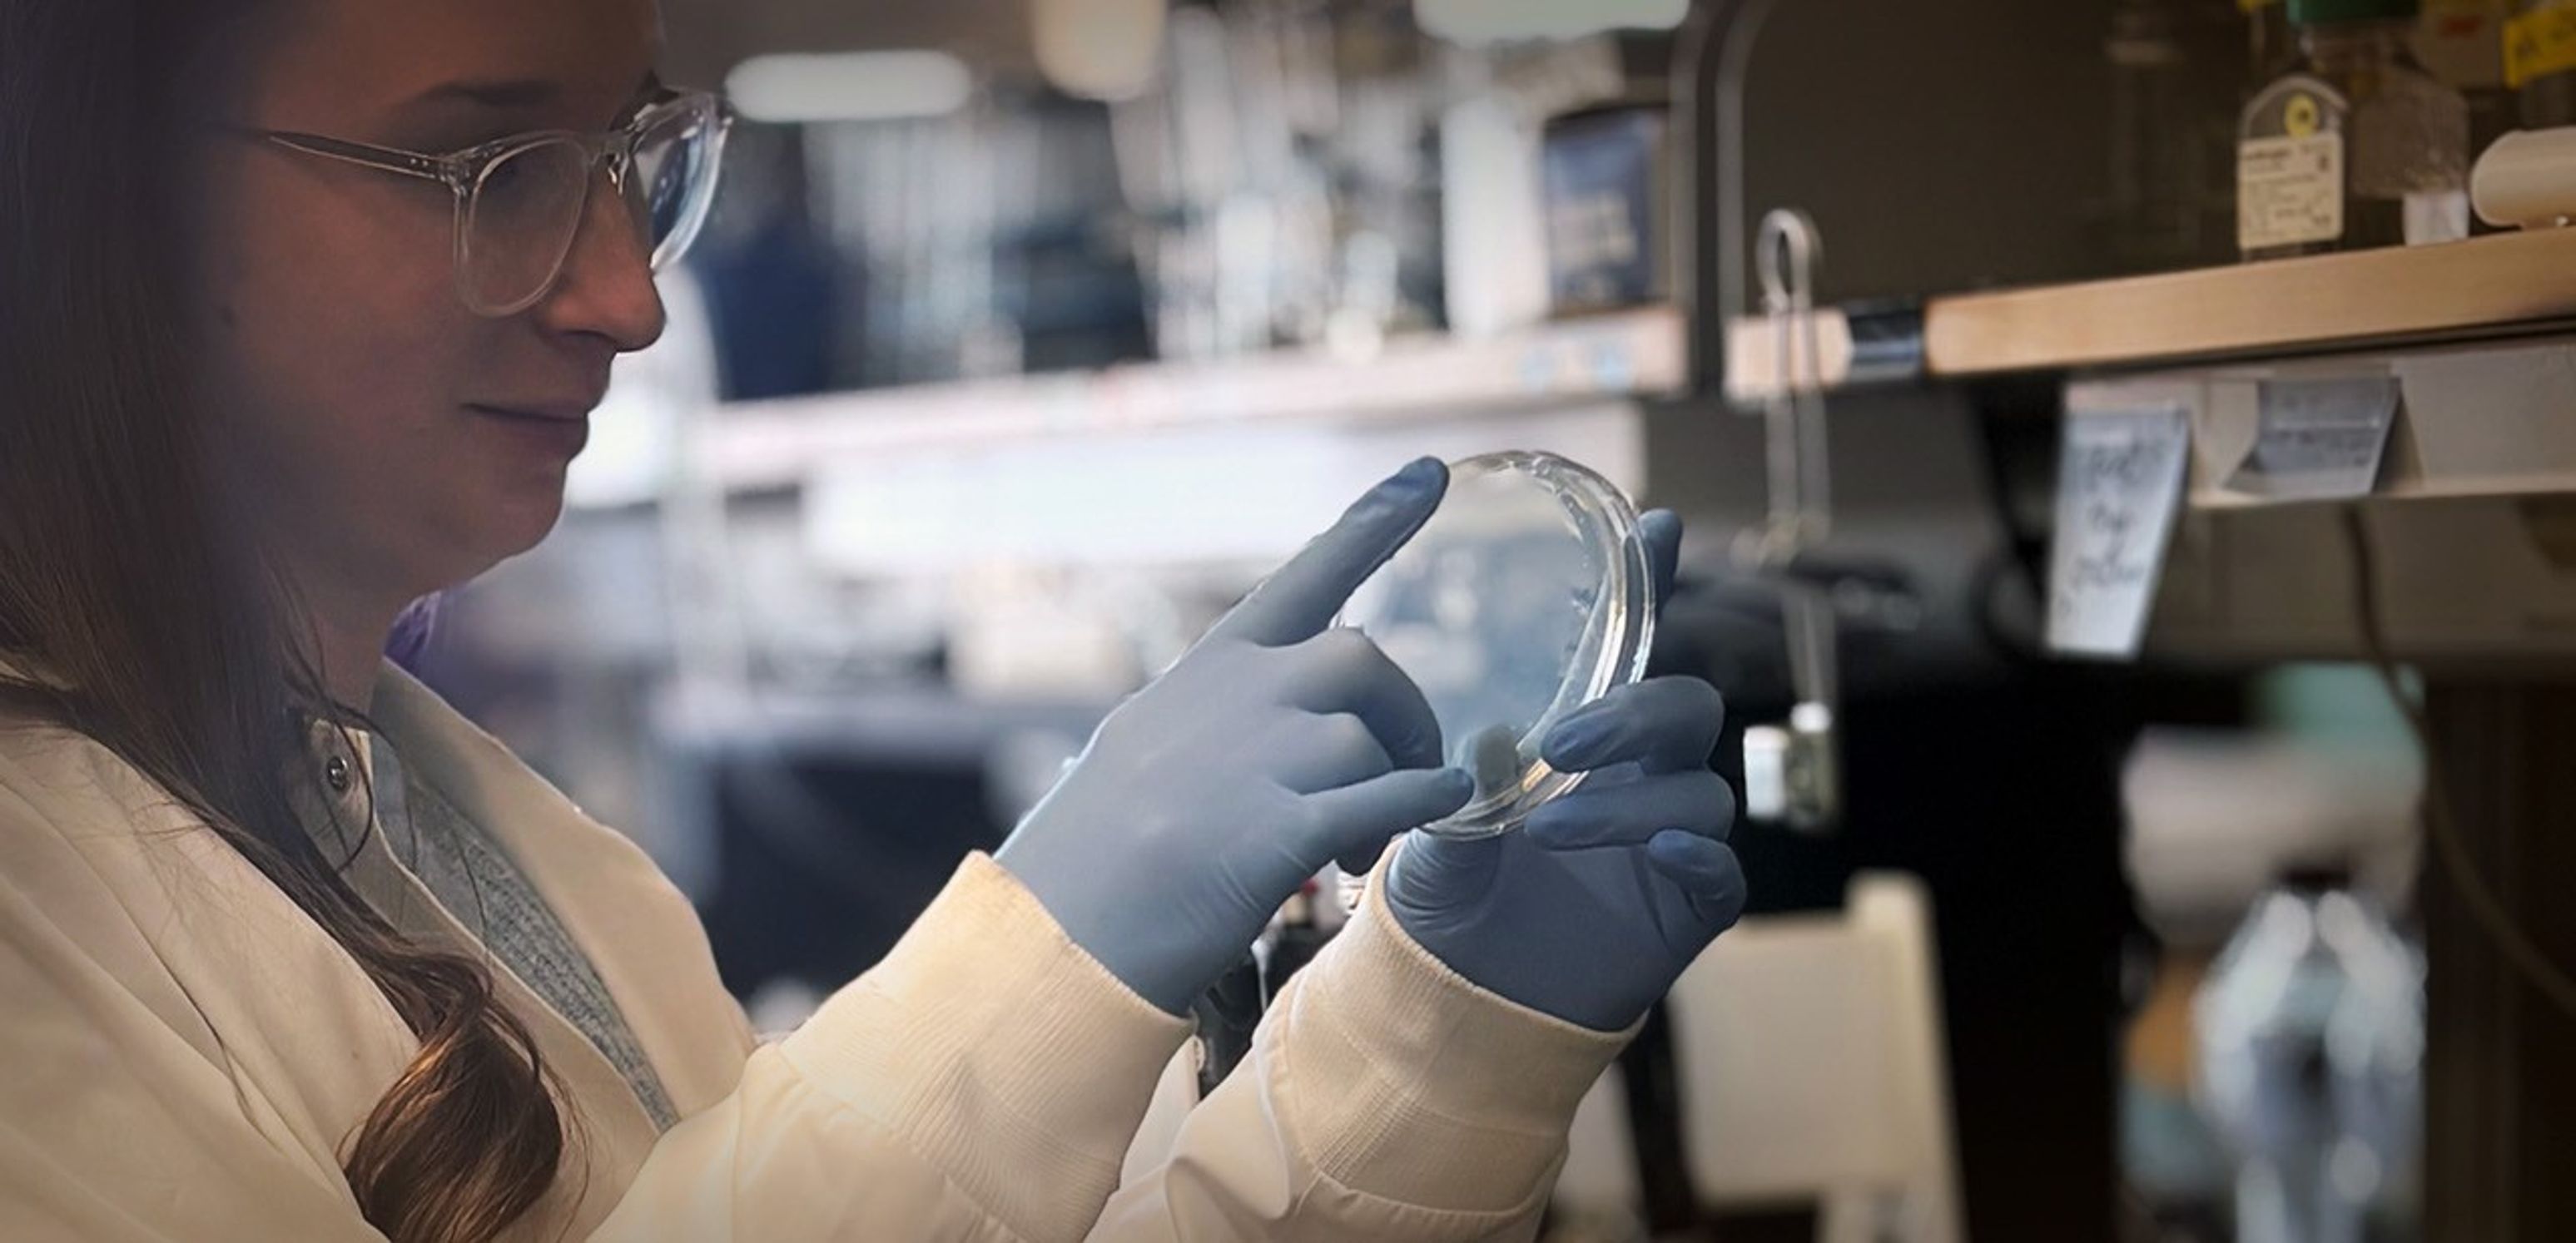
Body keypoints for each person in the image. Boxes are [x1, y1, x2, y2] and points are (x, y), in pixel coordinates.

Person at [0, 2, 1745, 1240]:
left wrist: (1436, 1046)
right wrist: (1042, 957)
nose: (628, 299)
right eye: (494, 164)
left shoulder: (502, 852)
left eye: (628, 157)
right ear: (91, 186)